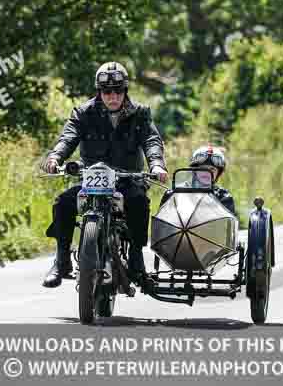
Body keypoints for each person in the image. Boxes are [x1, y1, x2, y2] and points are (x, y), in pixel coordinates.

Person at [40, 62, 168, 287]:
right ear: (99, 91)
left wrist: (157, 165)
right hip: (90, 177)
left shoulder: (140, 113)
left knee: (138, 201)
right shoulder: (84, 112)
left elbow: (151, 140)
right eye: (107, 91)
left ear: (125, 90)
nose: (113, 96)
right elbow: (68, 137)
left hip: (127, 178)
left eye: (118, 90)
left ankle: (137, 259)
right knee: (62, 203)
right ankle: (61, 261)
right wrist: (55, 158)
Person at [160, 146, 235, 215]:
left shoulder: (223, 196)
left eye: (212, 169)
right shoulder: (176, 192)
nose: (207, 172)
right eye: (203, 168)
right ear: (194, 171)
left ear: (218, 174)